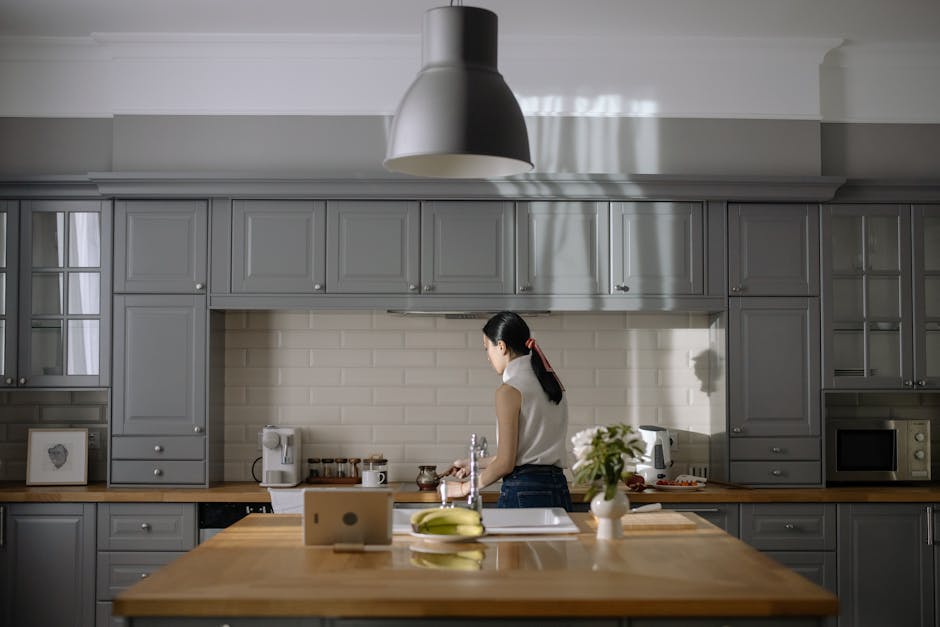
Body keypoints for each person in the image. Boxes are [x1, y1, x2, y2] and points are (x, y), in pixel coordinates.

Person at [446, 311, 572, 510]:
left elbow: (506, 463)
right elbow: (525, 455)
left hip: (524, 490)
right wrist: (474, 464)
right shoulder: (552, 385)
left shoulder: (509, 390)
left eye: (487, 348)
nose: (487, 357)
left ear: (501, 347)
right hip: (558, 488)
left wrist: (463, 489)